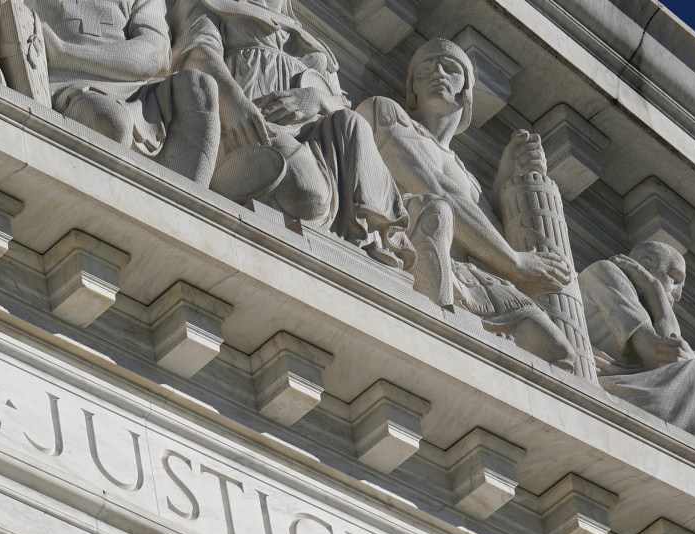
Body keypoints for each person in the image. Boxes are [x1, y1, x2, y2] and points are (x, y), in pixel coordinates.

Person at [359, 40, 582, 365]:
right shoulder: (386, 113)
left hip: (468, 277)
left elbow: (481, 234)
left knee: (557, 352)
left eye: (450, 68)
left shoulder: (471, 181)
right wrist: (515, 263)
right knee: (438, 211)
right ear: (412, 90)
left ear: (467, 93)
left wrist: (511, 176)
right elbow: (434, 187)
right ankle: (434, 348)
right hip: (410, 247)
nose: (437, 72)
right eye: (425, 69)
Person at [173, 0, 394, 241]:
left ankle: (374, 233)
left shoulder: (314, 43)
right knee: (309, 193)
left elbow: (340, 102)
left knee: (354, 124)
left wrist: (316, 98)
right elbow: (198, 53)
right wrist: (234, 103)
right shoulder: (214, 4)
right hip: (253, 128)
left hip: (313, 138)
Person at [578, 237, 695, 449]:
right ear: (645, 264)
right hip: (610, 384)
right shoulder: (606, 272)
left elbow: (671, 346)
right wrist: (653, 286)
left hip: (637, 385)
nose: (679, 295)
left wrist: (654, 289)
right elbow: (660, 355)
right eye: (674, 278)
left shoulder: (649, 306)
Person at [36, 0, 220, 184]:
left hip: (135, 92)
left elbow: (154, 55)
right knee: (112, 120)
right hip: (71, 86)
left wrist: (65, 53)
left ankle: (184, 206)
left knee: (199, 87)